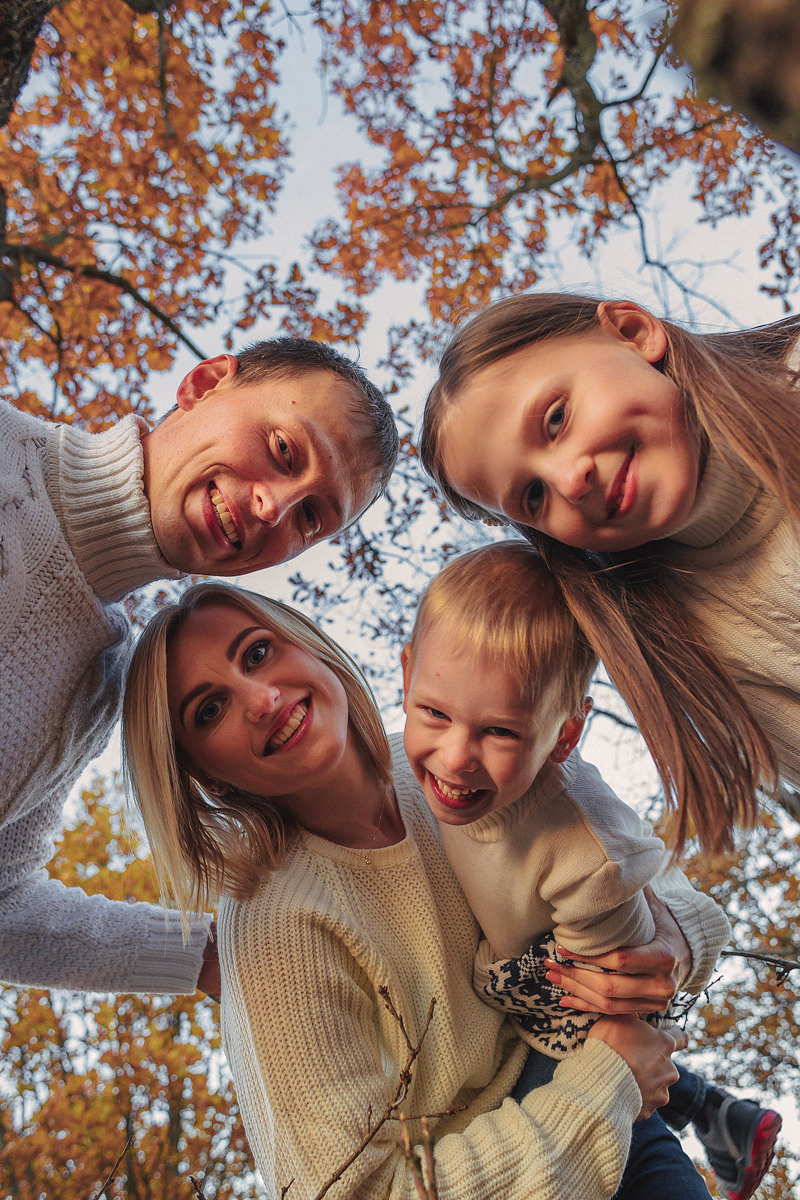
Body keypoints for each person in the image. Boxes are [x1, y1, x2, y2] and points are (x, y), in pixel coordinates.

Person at [122, 581, 727, 1200]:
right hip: (558, 1131)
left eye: (255, 654)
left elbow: (642, 877)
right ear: (205, 778)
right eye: (209, 710)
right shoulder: (274, 926)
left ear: (310, 647)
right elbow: (357, 1191)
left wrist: (673, 945)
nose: (261, 698)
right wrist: (610, 1077)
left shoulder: (457, 756)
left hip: (622, 1140)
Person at [0, 337, 398, 996]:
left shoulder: (96, 694)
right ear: (205, 381)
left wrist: (219, 953)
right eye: (282, 451)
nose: (275, 508)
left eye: (311, 518)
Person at [401, 540, 781, 1200]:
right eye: (433, 713)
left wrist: (608, 1057)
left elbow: (614, 993)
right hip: (536, 1000)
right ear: (406, 677)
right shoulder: (420, 779)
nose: (455, 756)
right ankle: (719, 1115)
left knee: (631, 1146)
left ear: (565, 735)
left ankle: (712, 1118)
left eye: (500, 733)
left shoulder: (583, 851)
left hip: (576, 1019)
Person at [420, 292, 800, 856]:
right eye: (533, 495)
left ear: (633, 331)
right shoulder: (695, 652)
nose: (570, 482)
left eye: (555, 419)